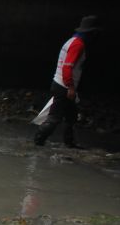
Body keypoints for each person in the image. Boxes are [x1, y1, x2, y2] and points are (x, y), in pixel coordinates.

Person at [35, 15, 100, 148]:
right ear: (91, 32)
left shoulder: (72, 41)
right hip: (63, 85)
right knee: (54, 117)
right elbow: (67, 67)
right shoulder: (78, 44)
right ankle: (37, 141)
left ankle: (69, 143)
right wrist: (70, 87)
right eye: (95, 32)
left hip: (60, 83)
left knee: (71, 116)